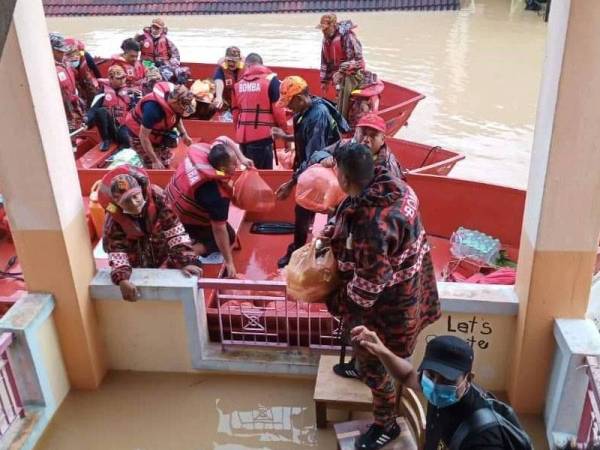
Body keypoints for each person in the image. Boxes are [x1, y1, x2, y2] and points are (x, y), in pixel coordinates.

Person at [320, 143, 440, 450]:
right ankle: (361, 366)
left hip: (388, 309)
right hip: (413, 290)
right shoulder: (396, 187)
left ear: (345, 179)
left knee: (378, 366)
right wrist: (335, 232)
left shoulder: (372, 225)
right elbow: (351, 211)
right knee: (368, 358)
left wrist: (344, 310)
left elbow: (371, 283)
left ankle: (386, 424)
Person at [351, 327, 530, 449]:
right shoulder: (446, 392)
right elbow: (407, 376)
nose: (436, 385)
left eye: (447, 379)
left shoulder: (483, 437)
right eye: (431, 375)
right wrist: (381, 350)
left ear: (469, 378)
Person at [272, 75, 350, 268]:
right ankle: (297, 252)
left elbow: (314, 155)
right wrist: (287, 137)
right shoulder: (306, 110)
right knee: (302, 214)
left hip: (327, 174)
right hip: (314, 171)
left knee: (325, 217)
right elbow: (304, 136)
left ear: (299, 98)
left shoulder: (318, 116)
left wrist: (291, 184)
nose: (289, 109)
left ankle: (327, 258)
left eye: (290, 103)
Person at [100, 165, 202, 301]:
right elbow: (116, 250)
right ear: (118, 204)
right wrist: (122, 280)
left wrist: (186, 261)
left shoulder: (158, 198)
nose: (134, 203)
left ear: (141, 191)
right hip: (136, 260)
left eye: (135, 196)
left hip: (163, 250)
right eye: (126, 201)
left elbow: (174, 230)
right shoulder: (113, 219)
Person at [165, 137, 253, 278]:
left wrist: (242, 157)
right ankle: (189, 251)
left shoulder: (209, 154)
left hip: (170, 199)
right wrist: (229, 262)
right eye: (234, 164)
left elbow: (224, 139)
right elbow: (219, 229)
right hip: (178, 217)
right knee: (229, 237)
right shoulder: (215, 195)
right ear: (223, 169)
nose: (237, 166)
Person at [231, 53, 288, 169]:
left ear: (247, 66)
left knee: (248, 171)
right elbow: (279, 112)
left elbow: (235, 114)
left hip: (242, 137)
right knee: (263, 174)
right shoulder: (272, 82)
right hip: (262, 137)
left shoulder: (237, 85)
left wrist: (238, 133)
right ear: (261, 64)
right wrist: (285, 134)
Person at [123, 81, 196, 169]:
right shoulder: (153, 110)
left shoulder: (175, 106)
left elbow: (177, 117)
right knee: (155, 166)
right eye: (182, 108)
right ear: (175, 103)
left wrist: (184, 134)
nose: (184, 111)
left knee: (165, 160)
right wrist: (154, 160)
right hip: (139, 135)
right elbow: (143, 136)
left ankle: (158, 154)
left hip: (157, 133)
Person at [312, 113, 405, 180]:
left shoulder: (388, 166)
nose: (366, 140)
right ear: (355, 133)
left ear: (382, 140)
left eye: (373, 136)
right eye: (363, 134)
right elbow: (317, 154)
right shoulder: (344, 144)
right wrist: (324, 158)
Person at [317, 13, 366, 121]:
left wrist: (341, 72)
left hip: (354, 73)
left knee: (345, 85)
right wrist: (324, 81)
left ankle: (342, 120)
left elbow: (357, 60)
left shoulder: (347, 37)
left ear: (334, 25)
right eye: (322, 29)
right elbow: (324, 62)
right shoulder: (326, 40)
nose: (323, 31)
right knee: (339, 89)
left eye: (326, 28)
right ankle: (339, 111)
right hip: (339, 74)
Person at [85, 65, 138, 151]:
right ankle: (106, 140)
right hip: (110, 125)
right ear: (111, 78)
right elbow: (93, 109)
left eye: (123, 77)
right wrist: (86, 119)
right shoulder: (103, 91)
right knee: (100, 111)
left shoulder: (129, 91)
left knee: (127, 139)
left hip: (124, 125)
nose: (122, 81)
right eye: (118, 78)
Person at [50, 32, 86, 132]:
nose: (62, 53)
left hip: (75, 103)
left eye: (63, 51)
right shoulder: (49, 68)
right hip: (64, 109)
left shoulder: (66, 62)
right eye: (59, 51)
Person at [135, 18, 189, 84]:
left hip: (163, 64)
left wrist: (172, 65)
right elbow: (132, 49)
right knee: (154, 74)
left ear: (162, 29)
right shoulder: (142, 38)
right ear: (150, 27)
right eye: (153, 27)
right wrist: (135, 40)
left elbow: (175, 54)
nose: (155, 29)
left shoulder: (166, 40)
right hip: (147, 63)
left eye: (157, 28)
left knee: (180, 72)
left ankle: (174, 86)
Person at [64, 37, 100, 106]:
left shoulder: (85, 55)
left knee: (91, 92)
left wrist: (100, 81)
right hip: (74, 84)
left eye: (76, 53)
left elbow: (95, 69)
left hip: (85, 79)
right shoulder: (64, 63)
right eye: (70, 54)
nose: (74, 56)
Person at [213, 46, 244, 111]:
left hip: (242, 101)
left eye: (234, 61)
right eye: (229, 60)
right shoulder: (221, 69)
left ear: (239, 60)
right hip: (227, 101)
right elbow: (218, 81)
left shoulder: (246, 69)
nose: (231, 63)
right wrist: (219, 96)